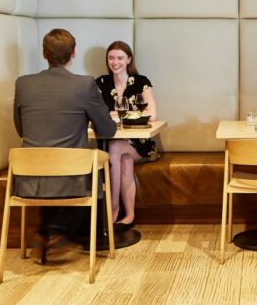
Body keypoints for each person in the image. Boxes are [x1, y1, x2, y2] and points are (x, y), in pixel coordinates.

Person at [13, 28, 117, 262]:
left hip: (28, 178)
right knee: (95, 171)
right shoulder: (84, 84)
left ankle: (46, 234)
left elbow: (21, 130)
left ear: (44, 54)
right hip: (71, 178)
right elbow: (108, 131)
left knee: (53, 171)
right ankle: (56, 233)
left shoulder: (23, 84)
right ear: (74, 53)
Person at [94, 40, 158, 229]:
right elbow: (96, 114)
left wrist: (115, 114)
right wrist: (128, 114)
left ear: (129, 59)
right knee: (125, 160)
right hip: (112, 142)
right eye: (111, 58)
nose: (115, 62)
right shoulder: (101, 83)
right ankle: (129, 215)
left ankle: (113, 209)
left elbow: (152, 114)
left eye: (120, 58)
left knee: (115, 147)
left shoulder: (141, 82)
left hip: (140, 143)